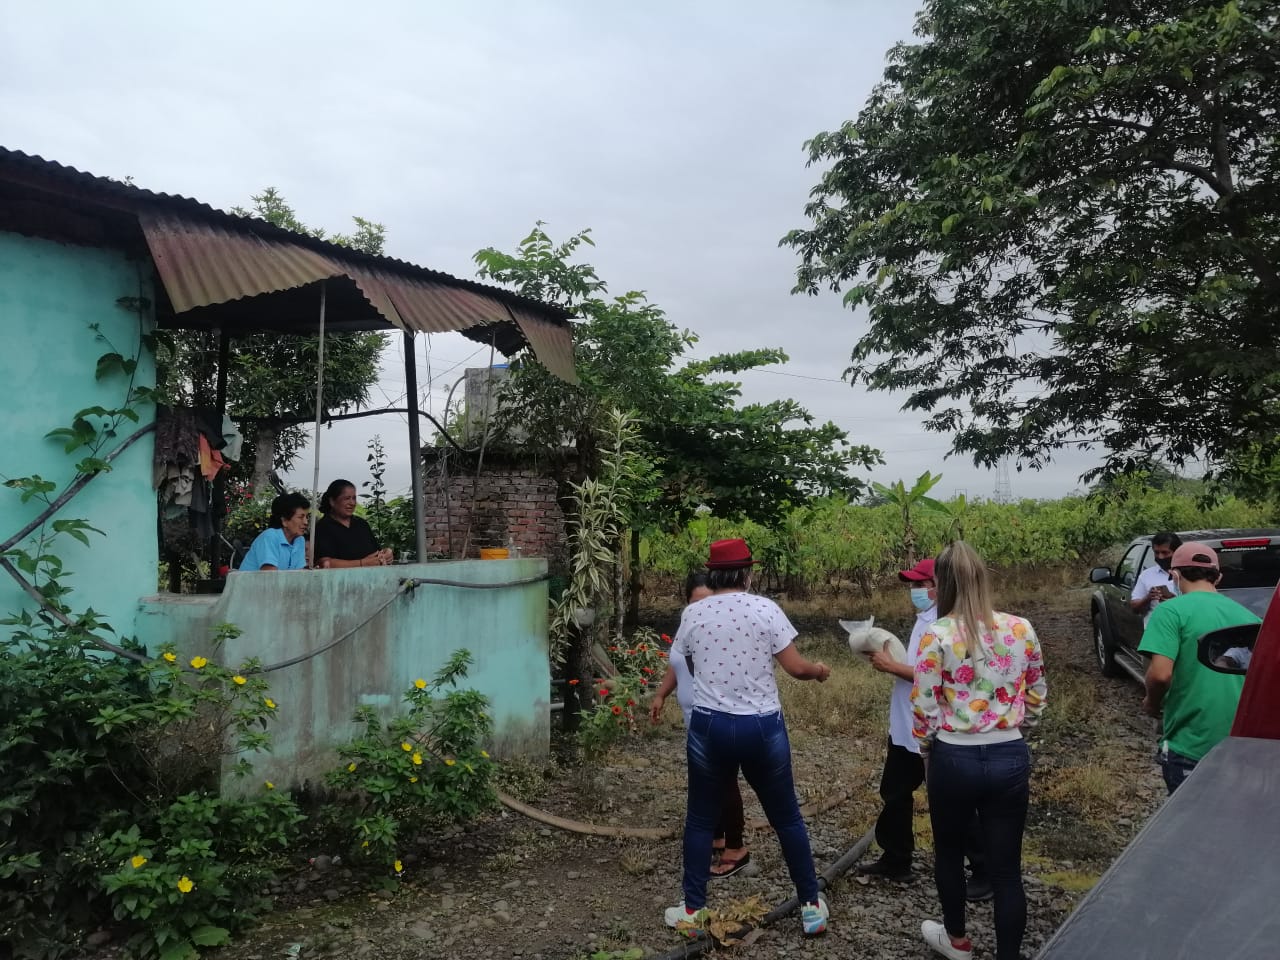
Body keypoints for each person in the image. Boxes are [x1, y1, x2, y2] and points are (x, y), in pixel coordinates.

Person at [664, 538, 832, 939]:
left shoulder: (693, 613)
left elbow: (687, 659)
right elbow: (796, 668)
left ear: (713, 574)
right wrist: (818, 670)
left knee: (700, 819)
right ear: (747, 573)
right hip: (762, 727)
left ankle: (693, 912)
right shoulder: (765, 609)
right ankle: (811, 907)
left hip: (709, 726)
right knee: (787, 817)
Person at [911, 541, 1047, 960]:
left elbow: (924, 704)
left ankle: (957, 941)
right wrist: (1018, 727)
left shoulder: (937, 634)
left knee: (950, 855)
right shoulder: (1021, 628)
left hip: (954, 756)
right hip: (1009, 754)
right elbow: (1037, 693)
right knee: (1006, 869)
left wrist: (927, 748)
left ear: (941, 583)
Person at [859, 558, 991, 901]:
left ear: (940, 585)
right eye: (913, 585)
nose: (915, 591)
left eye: (921, 584)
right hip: (908, 724)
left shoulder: (947, 624)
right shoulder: (925, 619)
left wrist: (892, 666)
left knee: (954, 799)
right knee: (895, 792)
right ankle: (896, 857)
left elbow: (937, 676)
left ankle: (983, 870)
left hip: (936, 728)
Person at [650, 572, 750, 879]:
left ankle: (735, 846)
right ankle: (717, 835)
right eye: (695, 602)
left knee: (724, 780)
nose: (703, 608)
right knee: (706, 780)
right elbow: (677, 665)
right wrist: (661, 694)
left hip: (719, 717)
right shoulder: (688, 625)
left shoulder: (725, 630)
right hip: (694, 720)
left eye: (708, 601)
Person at [1139, 542, 1257, 794]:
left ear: (1175, 575)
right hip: (1240, 745)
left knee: (1191, 816)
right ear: (1218, 578)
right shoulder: (1249, 617)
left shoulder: (1170, 612)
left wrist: (1151, 703)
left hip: (1190, 745)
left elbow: (1160, 675)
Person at [313, 479, 393, 569]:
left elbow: (376, 553)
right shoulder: (323, 527)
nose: (352, 503)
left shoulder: (362, 524)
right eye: (347, 498)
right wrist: (362, 563)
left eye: (354, 498)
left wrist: (386, 553)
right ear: (332, 501)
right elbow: (325, 563)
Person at [237, 493, 311, 572]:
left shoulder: (299, 540)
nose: (306, 522)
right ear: (284, 521)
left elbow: (299, 574)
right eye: (300, 517)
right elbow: (270, 575)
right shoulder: (270, 537)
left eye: (307, 517)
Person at [1130, 532, 1182, 623]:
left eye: (1165, 553)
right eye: (1156, 552)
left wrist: (1176, 600)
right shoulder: (1146, 575)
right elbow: (1135, 608)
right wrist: (1148, 597)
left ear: (1177, 552)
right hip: (1155, 629)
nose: (1160, 557)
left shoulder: (1190, 574)